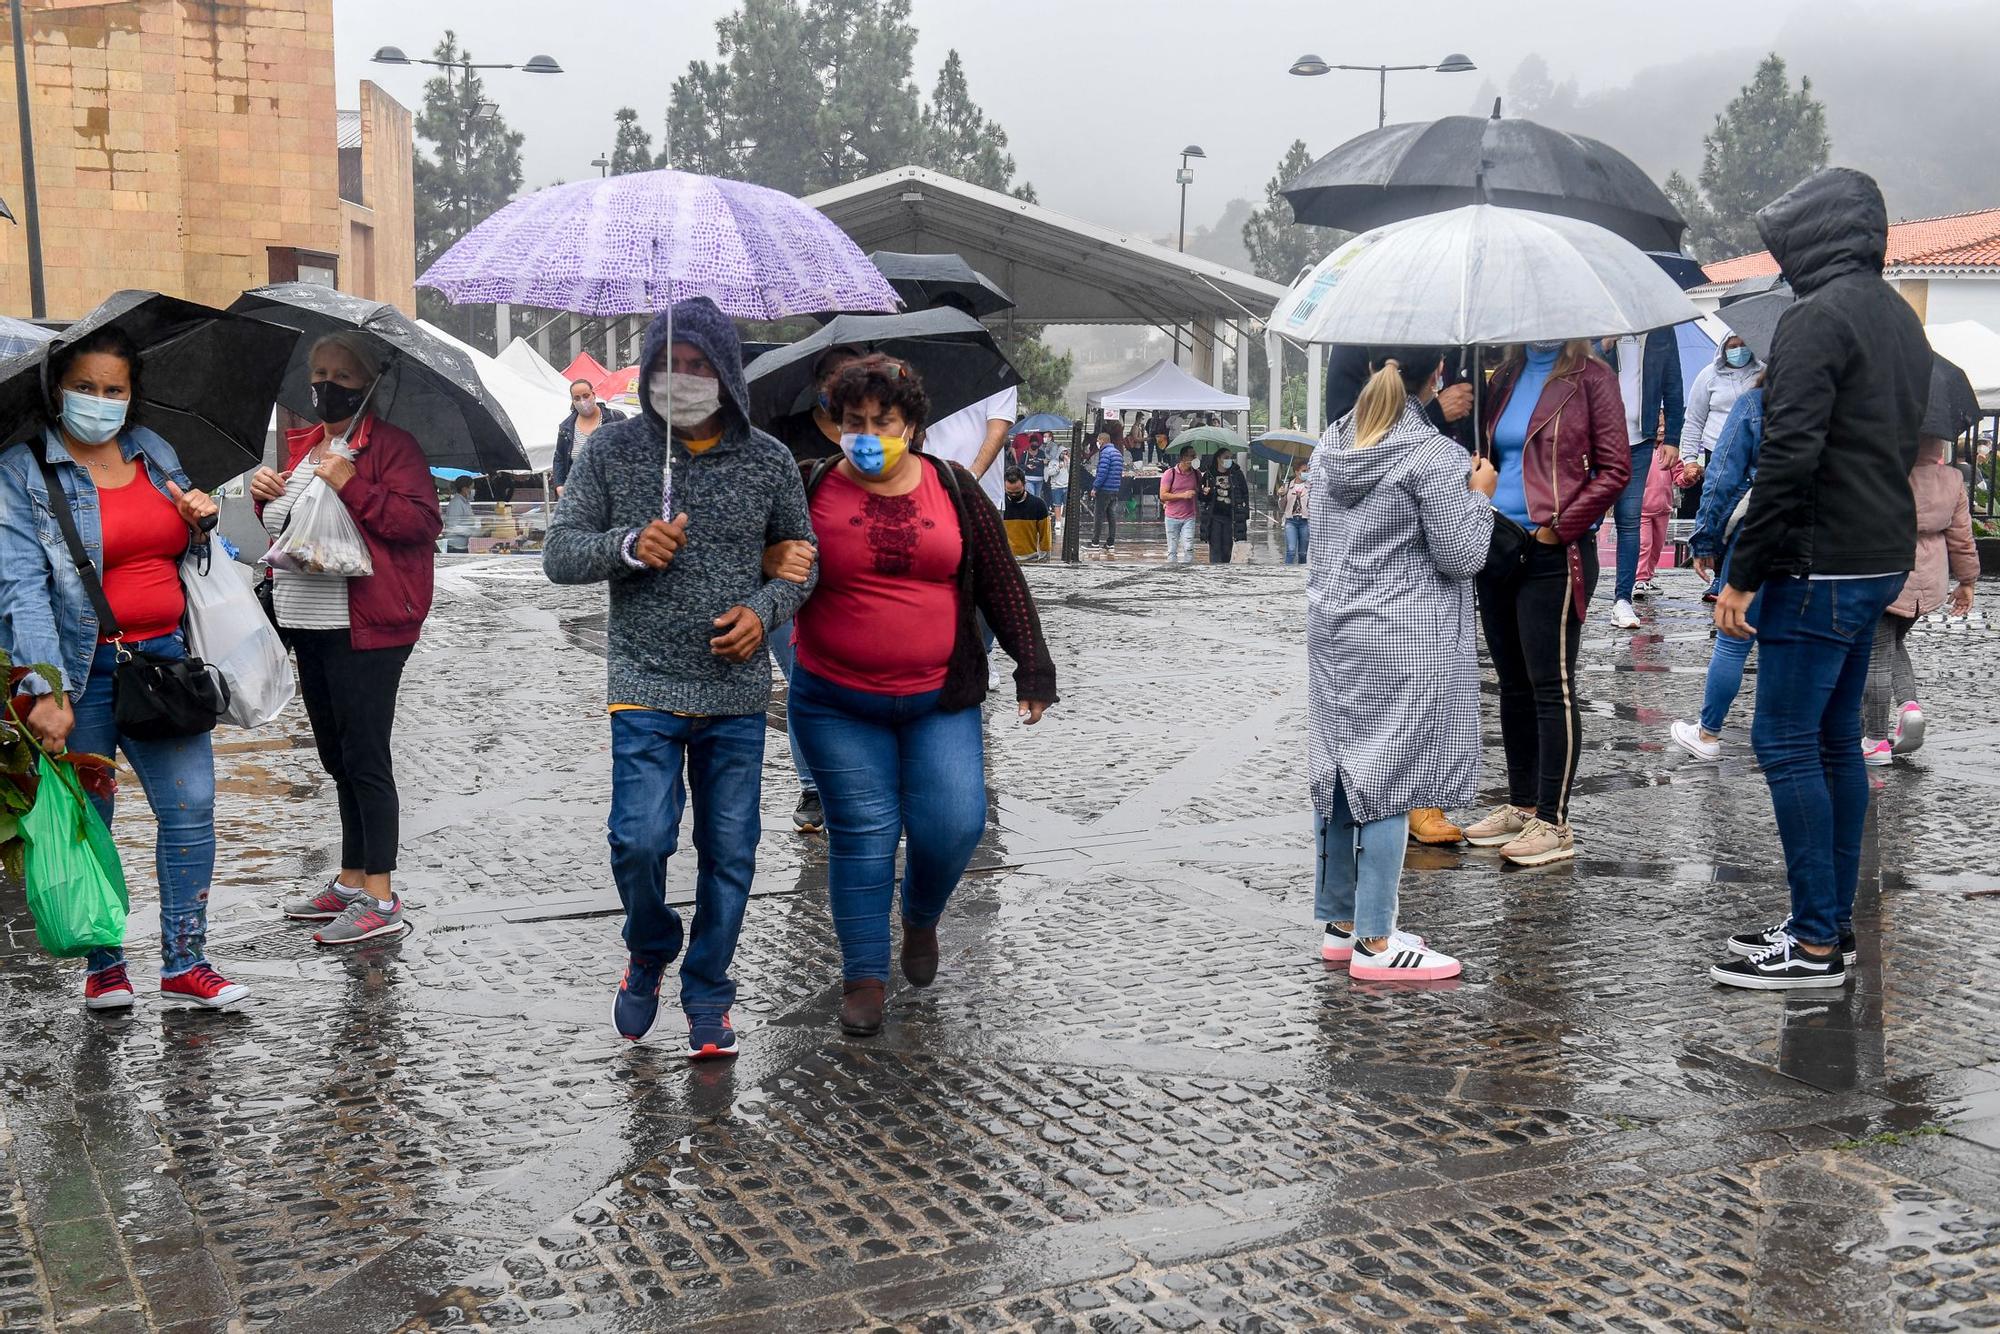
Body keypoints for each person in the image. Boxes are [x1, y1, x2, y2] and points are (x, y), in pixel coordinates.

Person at [543, 296, 817, 1053]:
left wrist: (765, 611)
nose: (683, 379)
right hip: (644, 679)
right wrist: (628, 546)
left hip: (733, 692)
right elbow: (559, 554)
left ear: (726, 374)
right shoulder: (613, 452)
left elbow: (802, 560)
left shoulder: (766, 461)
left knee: (732, 850)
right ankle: (649, 945)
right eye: (669, 365)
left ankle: (708, 992)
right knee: (639, 839)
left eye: (699, 367)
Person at [788, 355, 1056, 1037]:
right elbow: (765, 564)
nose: (869, 433)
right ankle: (865, 977)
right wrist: (772, 563)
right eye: (855, 422)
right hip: (837, 701)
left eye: (885, 421)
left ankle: (921, 915)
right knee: (864, 835)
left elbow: (1000, 582)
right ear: (836, 426)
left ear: (914, 425)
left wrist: (1033, 669)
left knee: (956, 824)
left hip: (940, 698)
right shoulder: (807, 487)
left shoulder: (954, 486)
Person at [1708, 168, 1929, 992]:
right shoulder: (1898, 319)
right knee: (1835, 741)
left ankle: (1811, 946)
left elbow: (1788, 458)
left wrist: (1742, 573)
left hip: (1817, 562)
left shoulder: (1814, 319)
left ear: (1813, 236)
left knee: (1786, 741)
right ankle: (1827, 921)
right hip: (1876, 554)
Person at [0, 326, 246, 1010]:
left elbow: (183, 553)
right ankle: (104, 964)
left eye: (115, 390)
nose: (100, 402)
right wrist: (40, 688)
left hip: (164, 664)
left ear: (132, 395)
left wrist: (201, 520)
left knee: (191, 808)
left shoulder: (154, 451)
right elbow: (19, 586)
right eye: (86, 388)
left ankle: (185, 961)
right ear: (57, 391)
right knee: (91, 820)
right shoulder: (22, 471)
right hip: (80, 675)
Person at [1309, 347, 1497, 980]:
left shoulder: (1333, 446)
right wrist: (1481, 496)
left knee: (1339, 768)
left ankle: (1340, 925)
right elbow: (1463, 555)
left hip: (1335, 631)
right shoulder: (1435, 457)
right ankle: (1377, 942)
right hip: (1404, 635)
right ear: (1437, 375)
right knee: (1388, 776)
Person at [250, 332, 441, 947]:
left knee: (365, 755)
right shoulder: (308, 445)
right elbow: (299, 533)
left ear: (369, 384)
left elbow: (419, 522)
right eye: (319, 372)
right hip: (309, 625)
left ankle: (381, 895)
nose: (326, 384)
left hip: (369, 626)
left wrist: (352, 484)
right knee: (336, 755)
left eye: (342, 375)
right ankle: (352, 877)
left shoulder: (390, 447)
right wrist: (266, 500)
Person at [1459, 340, 1629, 867]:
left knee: (1550, 685)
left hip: (1553, 553)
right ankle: (1523, 802)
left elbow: (1615, 468)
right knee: (1511, 684)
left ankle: (1554, 821)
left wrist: (1561, 527)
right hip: (1497, 543)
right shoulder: (1504, 374)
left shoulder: (1592, 377)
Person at [762, 344, 867, 833]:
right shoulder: (784, 435)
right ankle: (813, 787)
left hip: (855, 582)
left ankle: (857, 779)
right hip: (791, 581)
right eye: (834, 379)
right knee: (804, 681)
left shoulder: (876, 435)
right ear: (820, 385)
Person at [1861, 436, 1978, 762]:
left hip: (1886, 572)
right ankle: (1909, 706)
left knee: (1877, 655)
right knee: (1893, 644)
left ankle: (1874, 740)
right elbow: (1962, 537)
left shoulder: (1888, 471)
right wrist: (1967, 581)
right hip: (1928, 578)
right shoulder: (1952, 479)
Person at [1668, 384, 1765, 763]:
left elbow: (1722, 474)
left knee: (1733, 638)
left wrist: (1706, 539)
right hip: (1823, 550)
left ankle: (1708, 733)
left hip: (1756, 535)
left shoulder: (1757, 404)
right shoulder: (1844, 402)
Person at [1600, 329, 1685, 629]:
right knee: (1588, 519)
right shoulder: (1601, 320)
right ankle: (1576, 593)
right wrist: (1605, 344)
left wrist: (1672, 437)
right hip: (1598, 436)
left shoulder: (1661, 329)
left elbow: (1673, 385)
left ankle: (1622, 599)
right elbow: (1578, 369)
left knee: (1630, 520)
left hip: (1640, 439)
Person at [1678, 335, 1762, 597]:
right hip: (1719, 448)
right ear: (1724, 349)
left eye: (1743, 345)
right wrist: (1689, 458)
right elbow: (1693, 420)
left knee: (1746, 512)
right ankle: (1719, 573)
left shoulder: (1763, 372)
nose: (1739, 350)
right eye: (1733, 346)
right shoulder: (1708, 376)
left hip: (1753, 447)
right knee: (1721, 507)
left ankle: (1743, 572)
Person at [766, 345, 864, 465]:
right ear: (816, 383)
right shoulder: (784, 430)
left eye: (851, 374)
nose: (841, 385)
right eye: (831, 375)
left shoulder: (877, 428)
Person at [552, 379, 627, 498]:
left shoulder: (616, 418)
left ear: (594, 395)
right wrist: (559, 485)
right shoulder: (566, 427)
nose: (582, 401)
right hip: (579, 497)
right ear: (572, 401)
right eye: (577, 398)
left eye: (586, 395)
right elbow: (559, 458)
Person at [1199, 447, 1249, 565]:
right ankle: (1215, 572)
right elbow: (1202, 498)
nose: (1229, 460)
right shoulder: (1209, 474)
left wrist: (1244, 512)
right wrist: (1205, 493)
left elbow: (1244, 493)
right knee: (1215, 547)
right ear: (1218, 458)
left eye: (1230, 457)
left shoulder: (1236, 474)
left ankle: (1225, 569)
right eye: (1226, 457)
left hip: (1230, 517)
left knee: (1227, 548)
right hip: (1214, 516)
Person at [1159, 445, 1200, 564]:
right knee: (1172, 550)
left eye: (1195, 456)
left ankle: (1188, 572)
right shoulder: (1170, 473)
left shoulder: (1196, 474)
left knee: (1189, 547)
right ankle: (1172, 573)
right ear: (1183, 457)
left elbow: (1199, 492)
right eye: (1192, 456)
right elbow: (1163, 495)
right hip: (1172, 517)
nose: (1194, 459)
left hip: (1189, 516)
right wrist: (1183, 495)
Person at [1003, 467, 1053, 560]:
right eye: (1010, 492)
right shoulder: (999, 504)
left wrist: (1044, 560)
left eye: (1017, 492)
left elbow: (1045, 536)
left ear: (1024, 485)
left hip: (1029, 559)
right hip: (1004, 560)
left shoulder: (1038, 505)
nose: (1013, 495)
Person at [1088, 427, 1123, 550]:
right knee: (1111, 516)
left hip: (1104, 489)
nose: (1097, 442)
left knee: (1098, 516)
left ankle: (1095, 542)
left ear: (1102, 440)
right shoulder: (1117, 453)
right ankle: (1110, 542)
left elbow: (1102, 473)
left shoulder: (1105, 453)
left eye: (1098, 440)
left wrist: (1095, 487)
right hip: (1114, 489)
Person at [1278, 464, 1311, 565]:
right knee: (1291, 550)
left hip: (1305, 522)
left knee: (1302, 553)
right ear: (1296, 472)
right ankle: (1287, 574)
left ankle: (1301, 575)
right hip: (1291, 521)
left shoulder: (1311, 486)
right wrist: (1281, 496)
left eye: (1308, 470)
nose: (1306, 473)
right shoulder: (1287, 486)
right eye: (1304, 470)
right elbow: (1282, 507)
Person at [443, 476, 477, 554]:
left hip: (463, 545)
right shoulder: (456, 503)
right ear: (464, 489)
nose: (473, 491)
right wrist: (472, 532)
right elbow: (453, 526)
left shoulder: (465, 502)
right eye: (471, 488)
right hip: (455, 547)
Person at [1046, 437, 1070, 530]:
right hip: (1056, 486)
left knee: (1066, 504)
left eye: (1066, 452)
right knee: (1057, 504)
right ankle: (1058, 521)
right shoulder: (1053, 462)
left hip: (1066, 485)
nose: (1064, 454)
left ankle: (1063, 519)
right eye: (1063, 452)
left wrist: (1068, 463)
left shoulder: (1067, 461)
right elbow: (1050, 473)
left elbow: (1072, 472)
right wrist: (1058, 468)